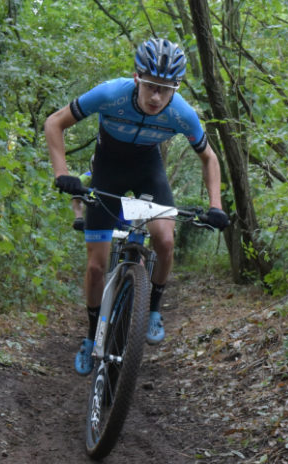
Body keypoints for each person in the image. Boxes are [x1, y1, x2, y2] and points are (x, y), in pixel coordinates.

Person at [45, 38, 230, 375]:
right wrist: (62, 173)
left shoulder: (181, 113)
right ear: (136, 78)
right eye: (150, 86)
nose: (156, 97)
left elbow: (209, 158)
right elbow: (54, 122)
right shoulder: (110, 94)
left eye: (165, 89)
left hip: (148, 171)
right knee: (96, 267)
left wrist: (215, 204)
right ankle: (91, 335)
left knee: (165, 240)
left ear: (175, 88)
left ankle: (153, 308)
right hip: (108, 170)